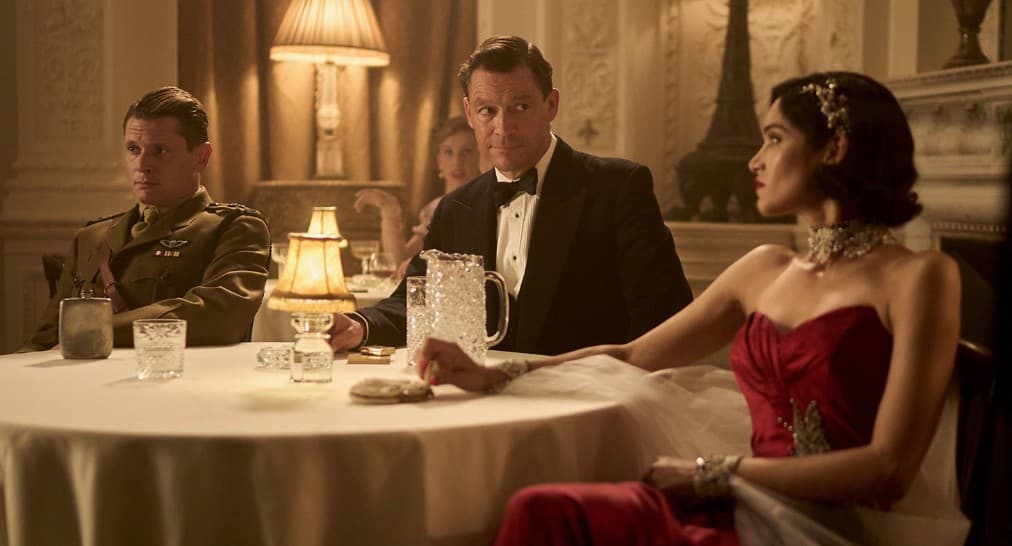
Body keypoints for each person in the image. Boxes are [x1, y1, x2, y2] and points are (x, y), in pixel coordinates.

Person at [416, 72, 970, 545]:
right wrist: (496, 374)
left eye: (774, 139)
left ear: (834, 148)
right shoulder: (763, 268)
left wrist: (713, 473)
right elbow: (632, 355)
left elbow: (889, 469)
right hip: (740, 498)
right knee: (541, 508)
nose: (754, 160)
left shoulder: (921, 276)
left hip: (827, 527)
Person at [330, 35, 694, 355]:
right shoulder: (456, 207)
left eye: (520, 107)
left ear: (551, 105)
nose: (503, 127)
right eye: (488, 111)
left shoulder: (618, 187)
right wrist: (359, 325)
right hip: (479, 396)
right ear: (470, 113)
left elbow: (663, 316)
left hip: (588, 397)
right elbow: (415, 300)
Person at [20, 86, 271, 351]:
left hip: (176, 375)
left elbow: (219, 316)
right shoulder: (92, 237)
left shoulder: (234, 229)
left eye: (160, 151)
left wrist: (96, 330)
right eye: (133, 149)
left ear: (201, 157)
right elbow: (46, 339)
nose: (142, 164)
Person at [352, 116, 482, 276]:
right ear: (439, 161)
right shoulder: (435, 209)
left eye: (467, 152)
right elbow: (400, 263)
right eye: (448, 152)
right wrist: (389, 212)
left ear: (480, 156)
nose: (457, 161)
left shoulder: (488, 204)